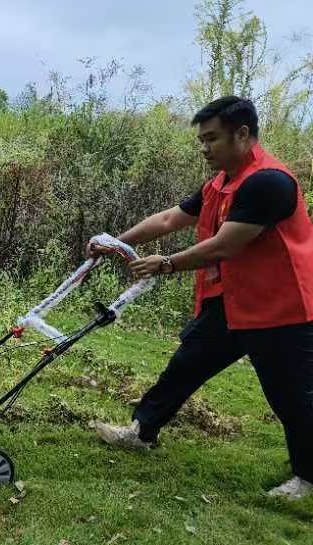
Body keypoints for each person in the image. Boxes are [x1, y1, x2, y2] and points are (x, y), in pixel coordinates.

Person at [90, 96, 313, 500]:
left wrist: (166, 264)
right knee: (185, 367)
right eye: (201, 140)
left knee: (291, 395)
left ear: (242, 134)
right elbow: (169, 219)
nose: (204, 148)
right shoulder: (221, 181)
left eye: (212, 139)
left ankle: (307, 478)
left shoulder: (268, 182)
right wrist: (114, 243)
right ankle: (141, 432)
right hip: (231, 301)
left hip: (281, 308)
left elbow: (225, 246)